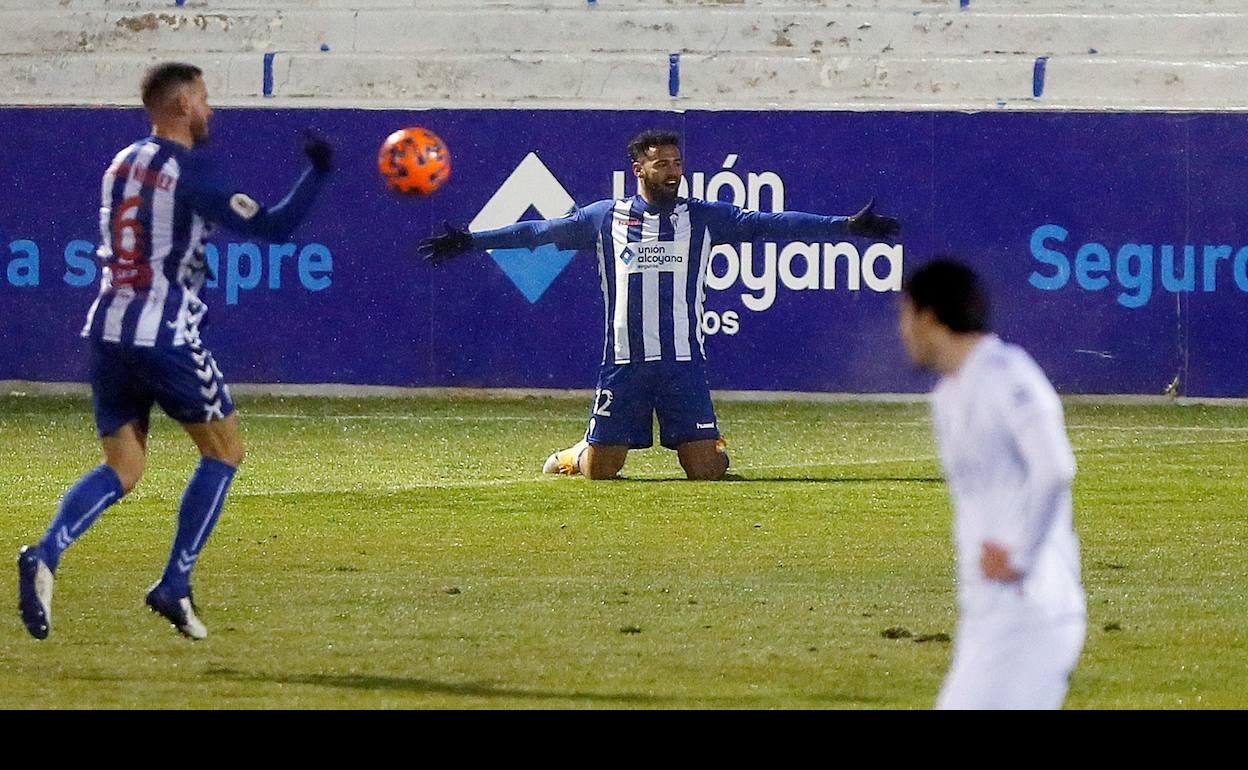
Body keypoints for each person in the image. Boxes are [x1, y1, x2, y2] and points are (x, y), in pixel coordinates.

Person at [16, 62, 333, 641]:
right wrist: (318, 173)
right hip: (165, 336)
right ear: (183, 104)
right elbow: (276, 228)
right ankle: (174, 583)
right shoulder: (191, 174)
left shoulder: (120, 165)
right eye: (205, 100)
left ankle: (48, 551)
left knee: (124, 467)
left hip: (109, 329)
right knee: (225, 451)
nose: (210, 112)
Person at [420, 129, 899, 480]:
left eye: (676, 162)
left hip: (682, 363)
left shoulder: (706, 218)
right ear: (639, 170)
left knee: (706, 473)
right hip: (624, 362)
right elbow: (536, 232)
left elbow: (774, 223)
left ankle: (711, 444)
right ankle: (578, 453)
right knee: (600, 474)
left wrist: (846, 225)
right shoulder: (604, 218)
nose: (673, 171)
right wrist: (469, 241)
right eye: (662, 164)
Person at [897, 259, 1086, 709]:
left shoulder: (1008, 375)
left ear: (927, 317)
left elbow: (1056, 468)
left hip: (1032, 609)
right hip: (988, 612)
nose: (901, 330)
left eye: (904, 315)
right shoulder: (948, 395)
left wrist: (1020, 554)